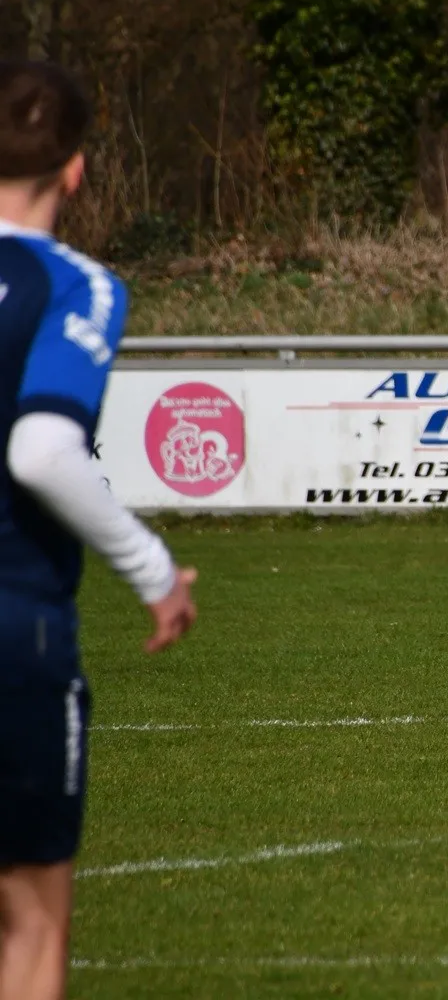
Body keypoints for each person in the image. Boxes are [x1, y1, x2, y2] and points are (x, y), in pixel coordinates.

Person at [0, 60, 199, 999]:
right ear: (75, 169)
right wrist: (151, 568)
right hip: (15, 627)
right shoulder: (74, 286)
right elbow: (42, 450)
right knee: (31, 925)